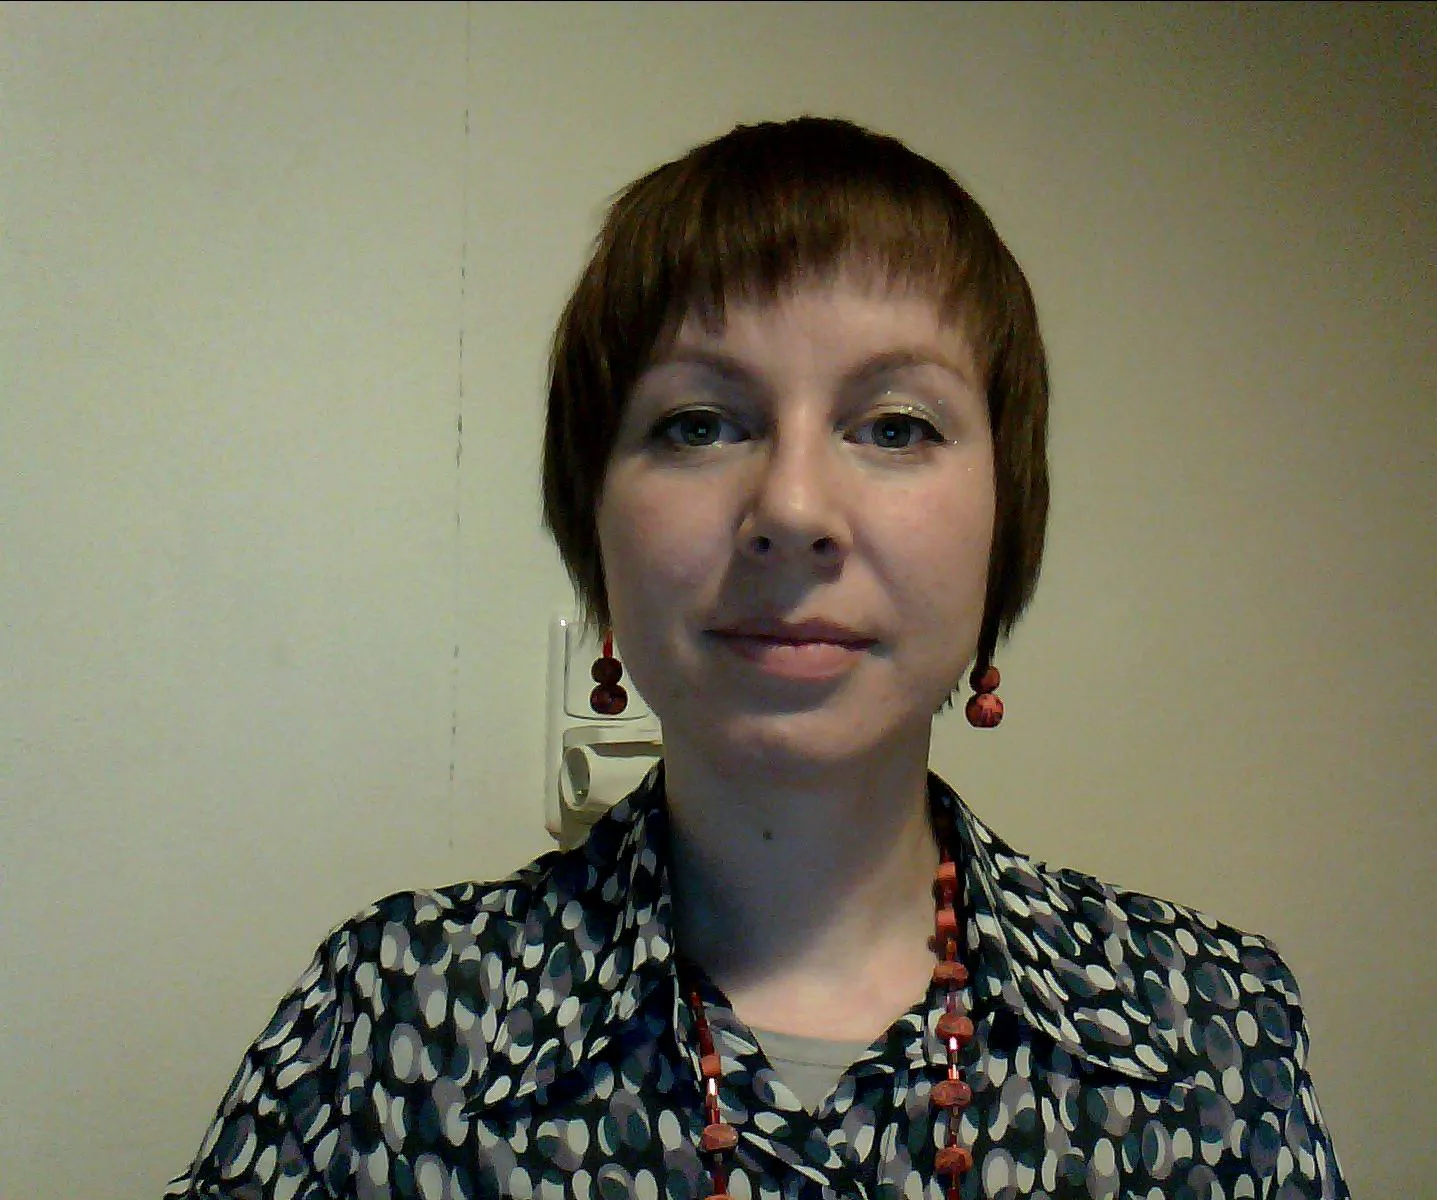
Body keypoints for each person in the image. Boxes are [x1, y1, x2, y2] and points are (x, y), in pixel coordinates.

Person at [169, 118, 1348, 1200]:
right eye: (698, 423)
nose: (791, 508)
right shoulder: (390, 1026)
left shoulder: (1208, 1033)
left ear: (1008, 514)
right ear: (593, 519)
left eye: (895, 426)